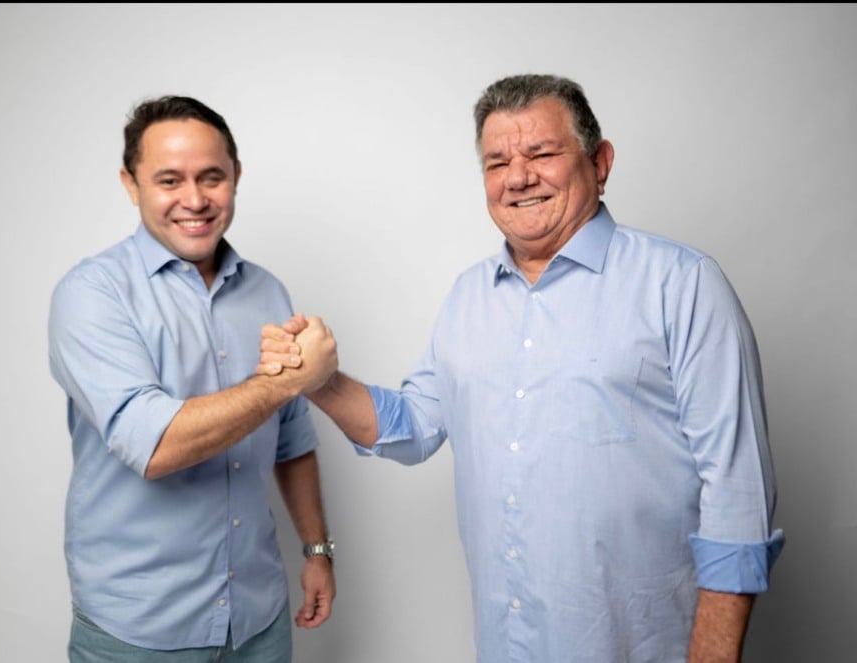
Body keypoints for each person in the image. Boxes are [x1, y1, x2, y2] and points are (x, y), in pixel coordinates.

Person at [259, 74, 785, 662]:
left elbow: (738, 490)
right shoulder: (468, 297)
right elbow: (412, 427)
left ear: (600, 163)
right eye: (497, 162)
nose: (517, 178)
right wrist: (320, 383)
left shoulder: (682, 285)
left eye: (541, 154)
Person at [48, 94, 339, 662]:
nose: (195, 199)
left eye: (212, 177)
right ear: (131, 184)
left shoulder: (268, 292)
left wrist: (317, 549)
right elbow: (154, 446)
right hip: (139, 631)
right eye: (169, 180)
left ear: (236, 177)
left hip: (258, 619)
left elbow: (292, 437)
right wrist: (286, 381)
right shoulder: (91, 295)